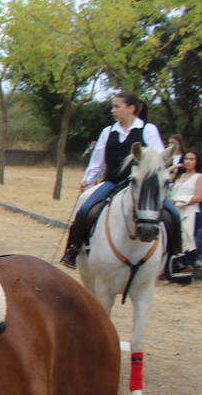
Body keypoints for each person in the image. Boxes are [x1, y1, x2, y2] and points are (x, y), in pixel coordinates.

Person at [61, 93, 182, 269]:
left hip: (142, 186)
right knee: (85, 210)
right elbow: (97, 161)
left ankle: (175, 258)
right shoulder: (108, 132)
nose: (113, 110)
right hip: (113, 182)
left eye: (117, 106)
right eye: (113, 107)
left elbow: (158, 159)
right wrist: (88, 180)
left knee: (174, 215)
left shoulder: (148, 130)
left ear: (131, 108)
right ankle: (73, 250)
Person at [168, 150, 200, 269]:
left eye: (192, 159)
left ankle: (190, 264)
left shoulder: (198, 177)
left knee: (188, 239)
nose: (188, 161)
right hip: (176, 211)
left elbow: (199, 197)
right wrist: (175, 166)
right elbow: (164, 175)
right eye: (186, 159)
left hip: (190, 211)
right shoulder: (179, 177)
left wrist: (178, 200)